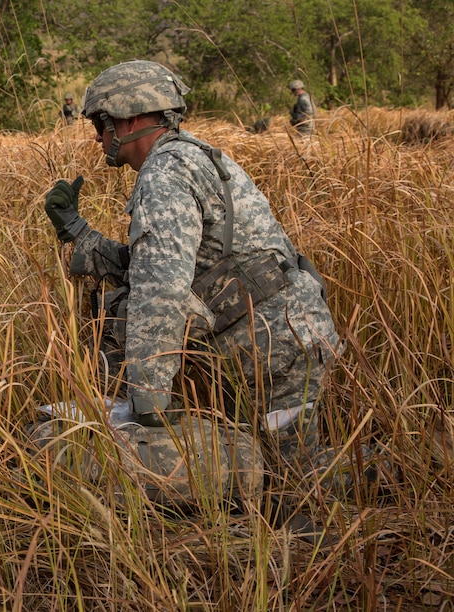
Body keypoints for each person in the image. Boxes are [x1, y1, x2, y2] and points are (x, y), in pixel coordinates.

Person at [43, 60, 339, 468]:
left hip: (274, 349)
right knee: (284, 473)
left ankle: (400, 473)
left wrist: (148, 398)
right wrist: (79, 233)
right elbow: (153, 265)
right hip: (282, 337)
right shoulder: (189, 158)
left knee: (294, 485)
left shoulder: (164, 175)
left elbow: (160, 291)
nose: (96, 137)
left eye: (101, 123)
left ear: (131, 121)